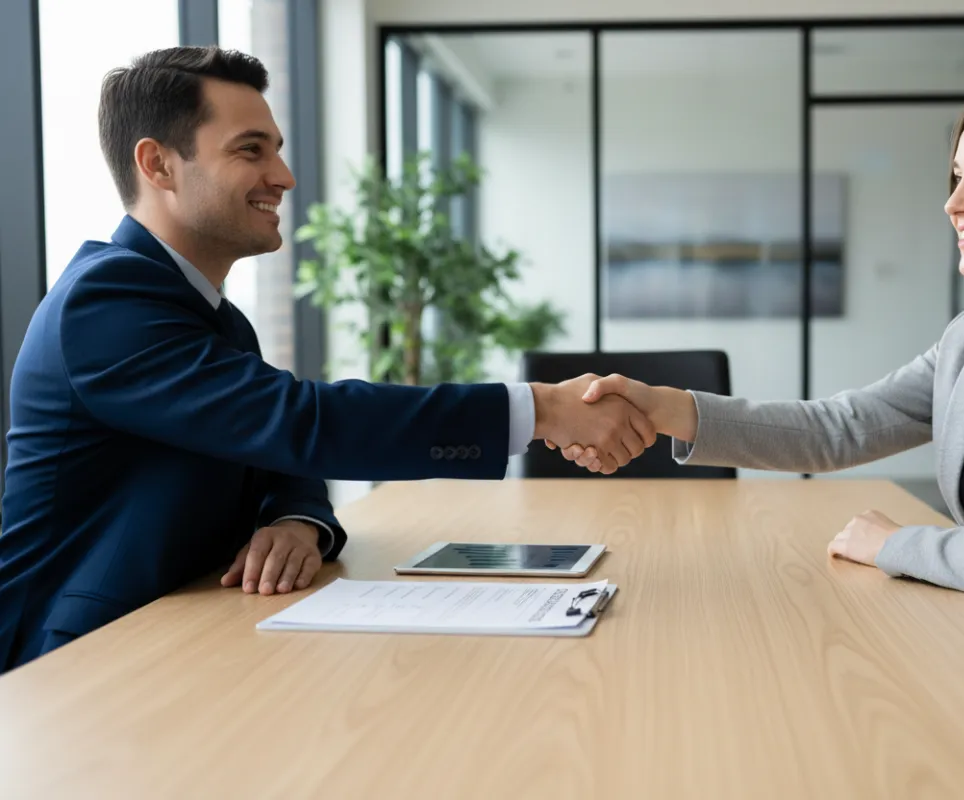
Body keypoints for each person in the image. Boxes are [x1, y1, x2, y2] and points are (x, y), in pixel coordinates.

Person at [0, 46, 653, 673]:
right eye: (251, 151)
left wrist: (298, 519)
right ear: (159, 165)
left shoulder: (216, 319)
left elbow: (267, 443)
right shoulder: (105, 301)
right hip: (78, 661)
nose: (283, 177)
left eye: (277, 150)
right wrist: (538, 409)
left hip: (185, 634)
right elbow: (297, 423)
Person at [554, 78, 964, 678]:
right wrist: (667, 407)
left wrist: (893, 544)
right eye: (956, 175)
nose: (955, 202)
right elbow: (839, 428)